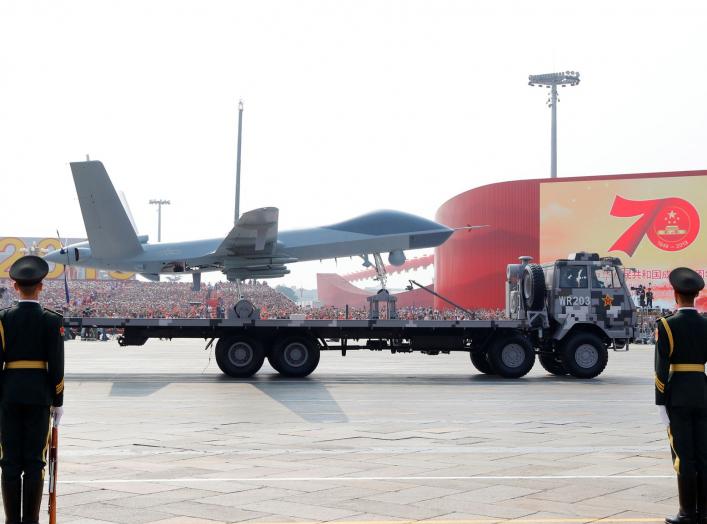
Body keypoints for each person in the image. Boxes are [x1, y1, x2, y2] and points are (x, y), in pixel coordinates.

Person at [0, 256, 64, 524]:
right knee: (35, 462)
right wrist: (57, 400)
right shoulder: (52, 320)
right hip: (39, 396)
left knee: (9, 462)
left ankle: (12, 521)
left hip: (8, 394)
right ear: (41, 286)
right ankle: (31, 521)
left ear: (15, 287)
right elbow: (56, 365)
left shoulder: (3, 319)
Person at [655, 267, 707, 524]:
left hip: (678, 396)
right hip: (703, 392)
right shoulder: (706, 324)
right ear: (696, 295)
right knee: (704, 454)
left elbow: (661, 368)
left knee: (683, 455)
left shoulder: (667, 325)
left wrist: (660, 403)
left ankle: (687, 513)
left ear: (676, 295)